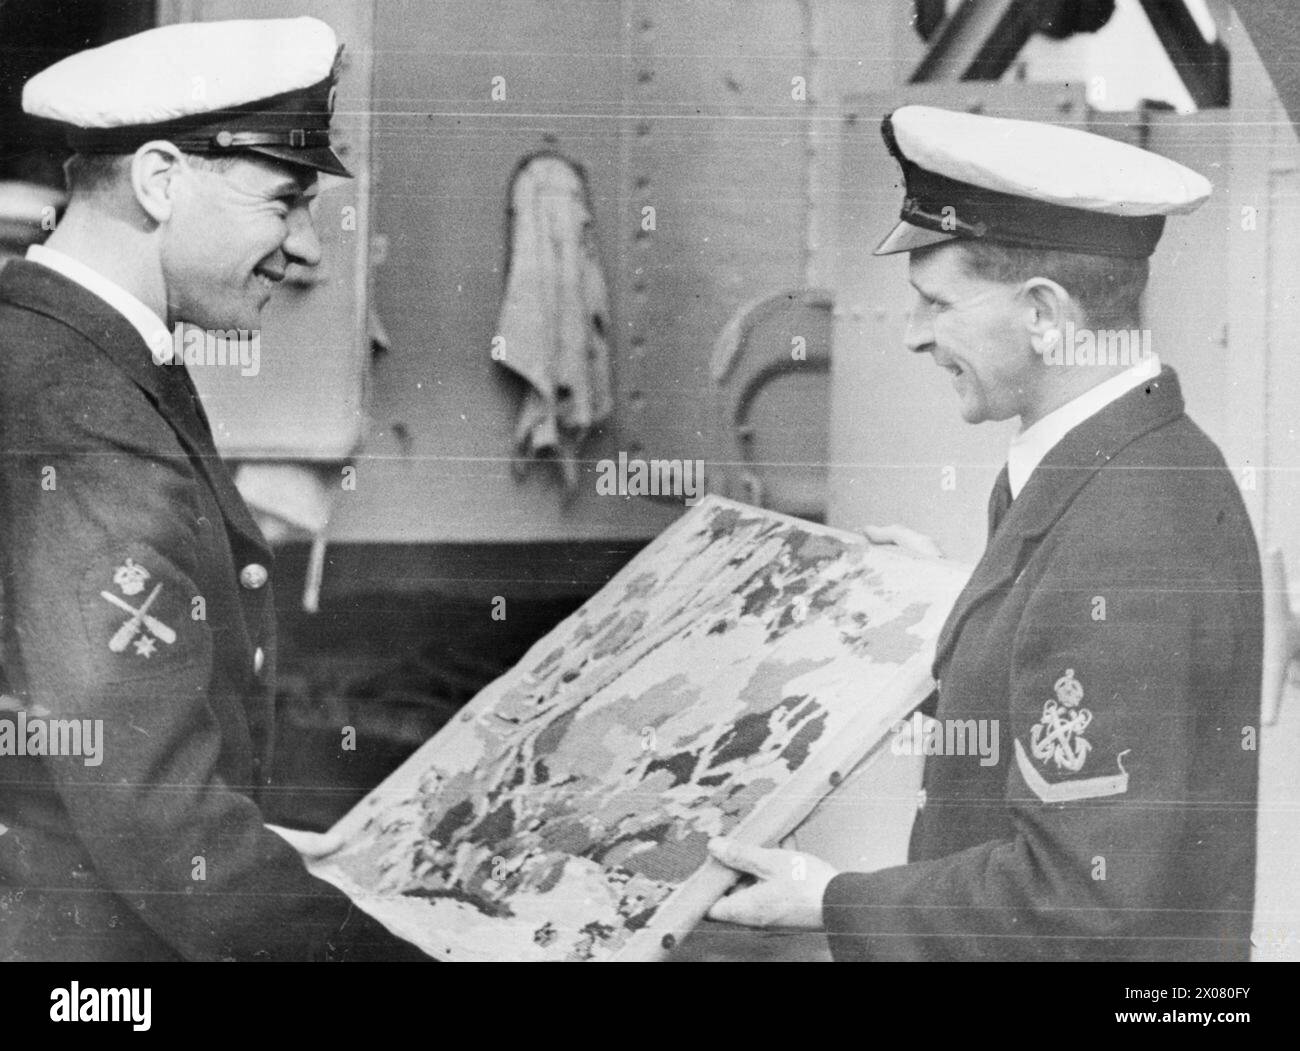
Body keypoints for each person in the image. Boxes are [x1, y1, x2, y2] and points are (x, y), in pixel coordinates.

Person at [706, 105, 1263, 962]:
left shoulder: (1128, 530)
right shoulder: (1107, 467)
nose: (913, 333)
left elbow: (1074, 896)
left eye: (937, 302)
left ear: (1044, 314)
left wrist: (831, 900)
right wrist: (952, 607)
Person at [0, 17, 425, 961]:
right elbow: (159, 820)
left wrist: (250, 854)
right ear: (159, 179)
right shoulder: (89, 413)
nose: (308, 249)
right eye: (286, 202)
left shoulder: (48, 349)